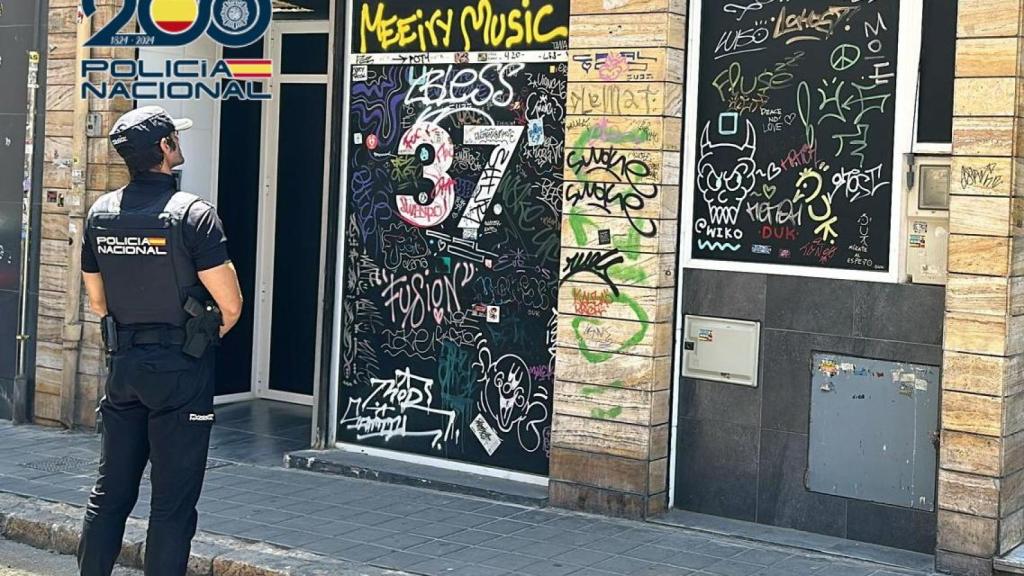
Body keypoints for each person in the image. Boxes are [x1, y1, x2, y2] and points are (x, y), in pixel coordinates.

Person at [77, 106, 243, 576]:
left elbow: (97, 303)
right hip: (179, 371)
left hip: (124, 368)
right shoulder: (193, 215)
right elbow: (230, 305)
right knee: (171, 505)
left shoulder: (100, 214)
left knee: (109, 495)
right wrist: (196, 337)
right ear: (165, 149)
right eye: (174, 137)